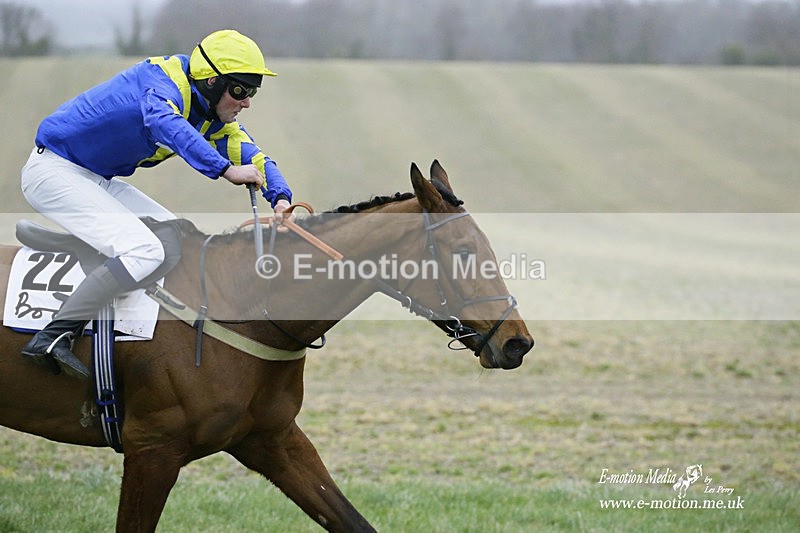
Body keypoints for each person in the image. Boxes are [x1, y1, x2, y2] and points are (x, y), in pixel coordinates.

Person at [20, 29, 292, 379]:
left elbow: (253, 156)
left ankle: (89, 252)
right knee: (145, 250)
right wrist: (224, 170)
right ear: (212, 81)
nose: (247, 102)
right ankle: (52, 336)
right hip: (54, 170)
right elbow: (166, 123)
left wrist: (281, 197)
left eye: (253, 92)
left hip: (93, 177)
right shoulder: (162, 84)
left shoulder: (209, 112)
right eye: (241, 90)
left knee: (175, 234)